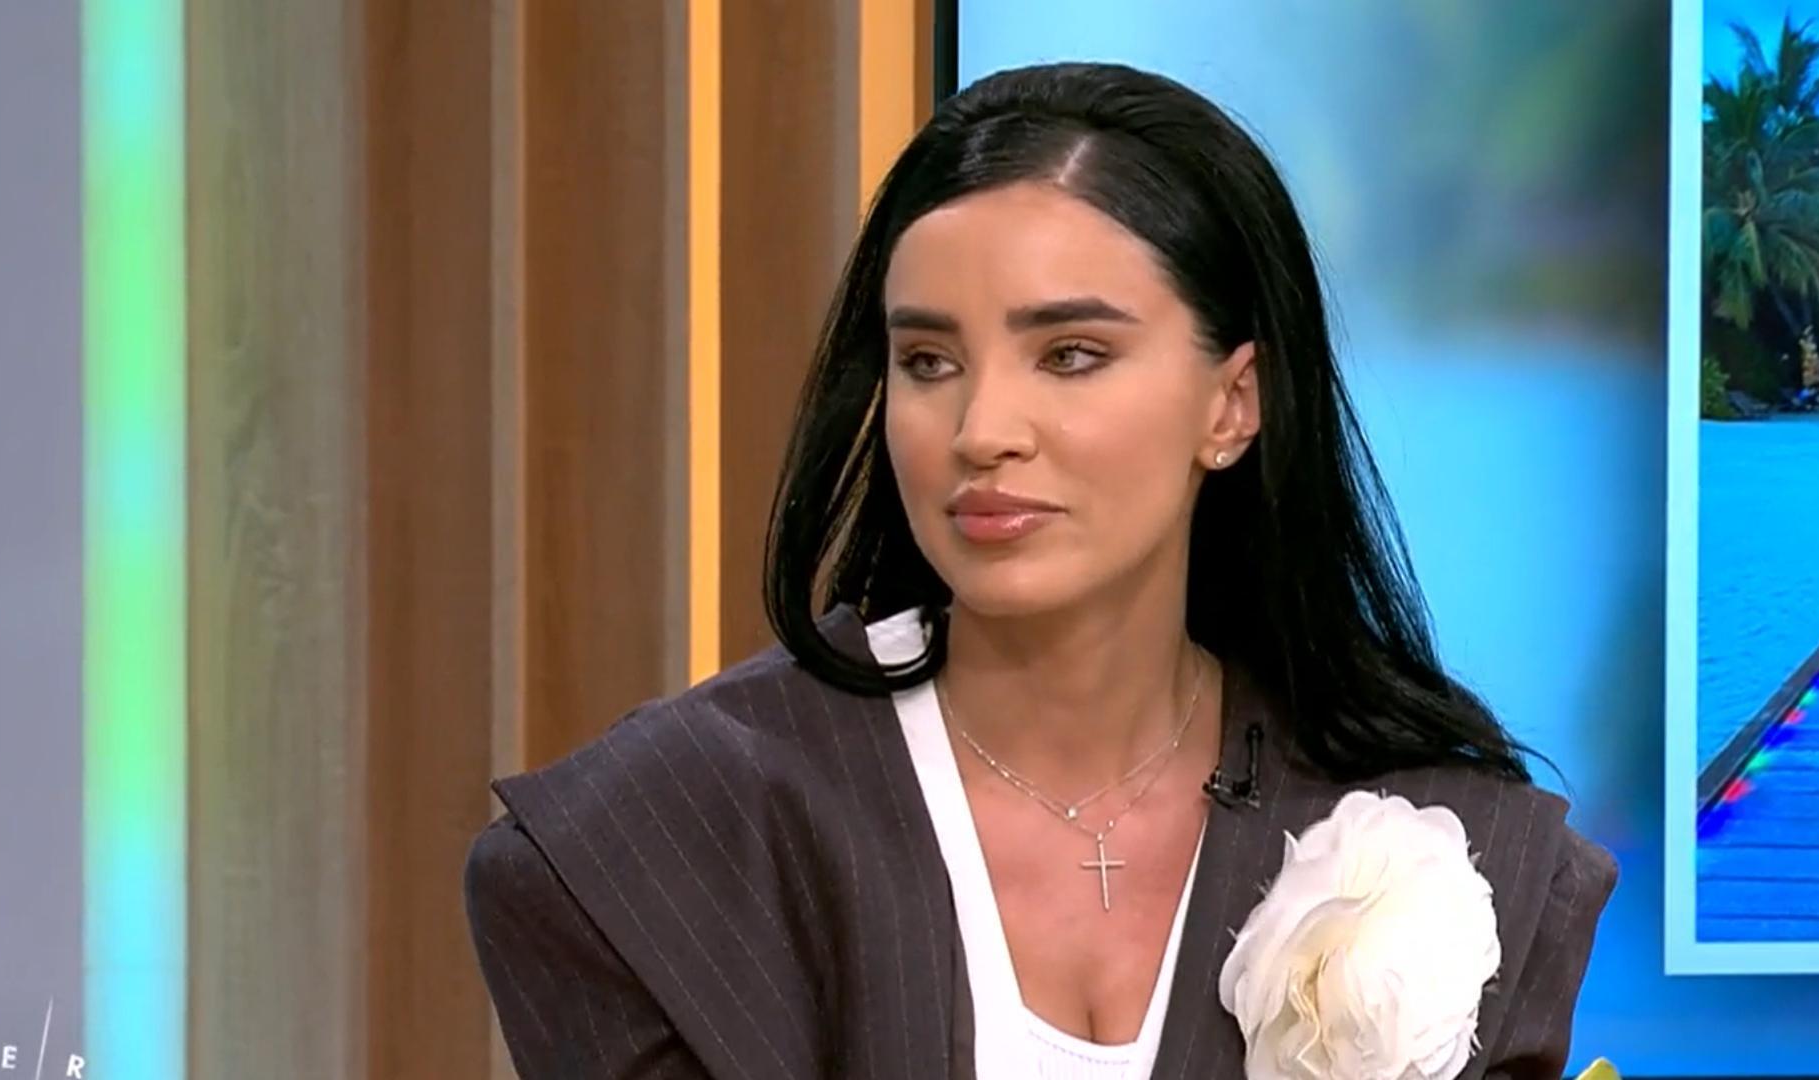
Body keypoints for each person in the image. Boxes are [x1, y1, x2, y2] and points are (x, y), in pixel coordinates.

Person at [463, 61, 1616, 1080]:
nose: (981, 431)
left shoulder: (1443, 852)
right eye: (928, 361)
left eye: (1069, 354)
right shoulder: (669, 840)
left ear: (1233, 404)